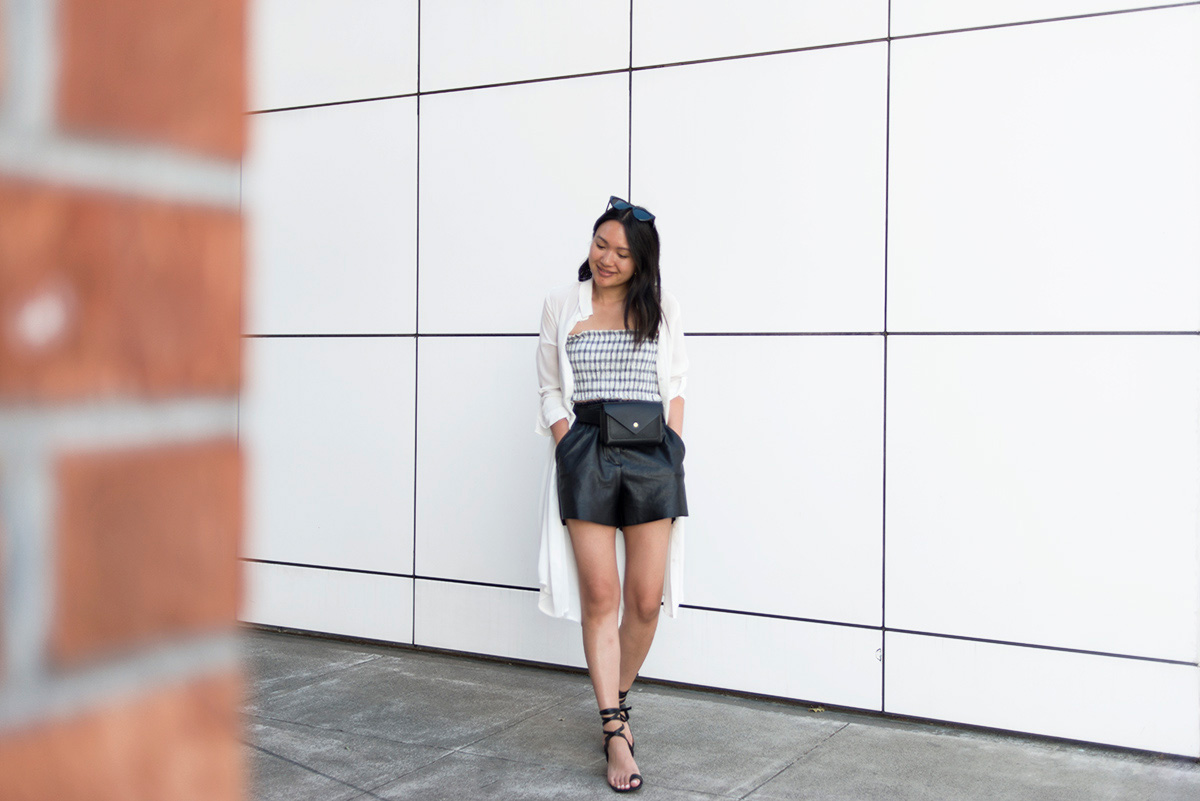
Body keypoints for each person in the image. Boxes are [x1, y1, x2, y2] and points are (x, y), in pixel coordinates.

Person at [535, 196, 688, 793]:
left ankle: (615, 700)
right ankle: (614, 731)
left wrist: (673, 444)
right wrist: (567, 443)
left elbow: (677, 384)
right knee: (602, 596)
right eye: (601, 245)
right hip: (588, 454)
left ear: (641, 261)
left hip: (652, 457)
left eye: (623, 253)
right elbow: (549, 388)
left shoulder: (662, 309)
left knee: (645, 600)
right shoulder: (560, 305)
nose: (607, 259)